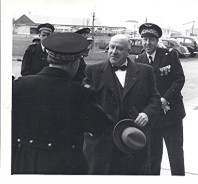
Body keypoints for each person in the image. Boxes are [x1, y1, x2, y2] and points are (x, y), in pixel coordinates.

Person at [12, 32, 113, 174]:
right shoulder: (80, 93)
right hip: (64, 165)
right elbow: (102, 127)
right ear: (75, 63)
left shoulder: (19, 85)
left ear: (48, 58)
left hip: (25, 163)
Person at [82, 34, 161, 175]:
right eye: (111, 47)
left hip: (132, 139)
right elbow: (85, 104)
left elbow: (154, 98)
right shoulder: (92, 71)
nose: (113, 51)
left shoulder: (145, 71)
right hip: (102, 143)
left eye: (119, 48)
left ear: (128, 51)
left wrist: (147, 113)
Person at [135, 23, 186, 175]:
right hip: (153, 119)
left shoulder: (169, 55)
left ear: (157, 40)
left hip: (172, 115)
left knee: (175, 155)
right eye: (144, 39)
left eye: (151, 39)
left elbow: (179, 79)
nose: (147, 43)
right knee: (152, 158)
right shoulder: (139, 59)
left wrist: (164, 99)